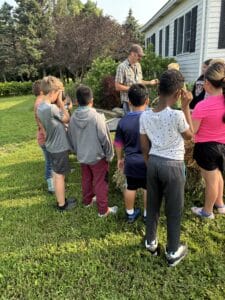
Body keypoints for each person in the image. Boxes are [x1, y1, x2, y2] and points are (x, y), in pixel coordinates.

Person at [140, 69, 193, 267]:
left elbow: (144, 145)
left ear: (159, 89)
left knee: (152, 205)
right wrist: (186, 107)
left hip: (153, 163)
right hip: (173, 166)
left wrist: (149, 163)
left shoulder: (145, 116)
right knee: (174, 210)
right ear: (178, 92)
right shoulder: (178, 115)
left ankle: (151, 242)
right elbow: (190, 136)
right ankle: (172, 252)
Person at [68, 85, 117, 217]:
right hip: (98, 158)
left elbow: (70, 138)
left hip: (82, 156)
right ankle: (103, 210)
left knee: (86, 179)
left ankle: (87, 201)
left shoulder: (72, 118)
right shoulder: (97, 117)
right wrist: (109, 154)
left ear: (77, 101)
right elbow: (105, 138)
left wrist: (76, 151)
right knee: (101, 182)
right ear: (92, 100)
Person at [191, 60, 225, 219]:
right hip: (222, 145)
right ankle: (220, 204)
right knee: (218, 175)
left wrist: (185, 107)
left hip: (206, 148)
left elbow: (193, 131)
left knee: (210, 181)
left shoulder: (202, 106)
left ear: (208, 84)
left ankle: (207, 211)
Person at [37, 76, 76, 211]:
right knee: (59, 176)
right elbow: (67, 118)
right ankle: (62, 204)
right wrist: (60, 102)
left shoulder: (40, 107)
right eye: (59, 93)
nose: (60, 95)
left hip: (52, 145)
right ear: (53, 92)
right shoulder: (51, 108)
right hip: (58, 147)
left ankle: (62, 199)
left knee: (56, 173)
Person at [114, 84, 148, 223]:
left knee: (130, 187)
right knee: (148, 188)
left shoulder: (123, 121)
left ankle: (130, 213)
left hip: (131, 161)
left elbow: (118, 143)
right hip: (149, 162)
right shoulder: (152, 119)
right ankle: (147, 214)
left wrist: (119, 159)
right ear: (147, 101)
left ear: (129, 102)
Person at [115, 44, 158, 115]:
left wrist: (150, 82)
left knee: (143, 122)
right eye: (139, 56)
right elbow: (117, 86)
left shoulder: (138, 65)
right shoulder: (122, 67)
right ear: (132, 54)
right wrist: (133, 89)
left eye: (141, 56)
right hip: (129, 102)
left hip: (140, 100)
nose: (140, 58)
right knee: (131, 124)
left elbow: (139, 81)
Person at [33, 80, 54, 194]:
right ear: (41, 90)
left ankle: (53, 183)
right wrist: (47, 136)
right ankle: (51, 186)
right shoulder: (40, 103)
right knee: (49, 162)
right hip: (44, 138)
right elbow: (42, 123)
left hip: (43, 137)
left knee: (50, 161)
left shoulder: (39, 102)